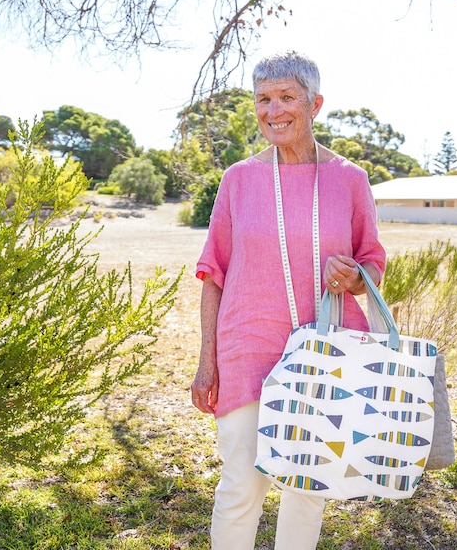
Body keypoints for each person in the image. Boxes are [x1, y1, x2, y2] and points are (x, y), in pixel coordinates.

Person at [190, 50, 386, 550]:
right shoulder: (238, 179)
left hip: (327, 350)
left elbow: (372, 261)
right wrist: (206, 362)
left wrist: (355, 277)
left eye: (286, 97)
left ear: (315, 103)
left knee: (307, 488)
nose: (272, 110)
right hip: (246, 345)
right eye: (262, 99)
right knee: (242, 482)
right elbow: (213, 273)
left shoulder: (350, 179)